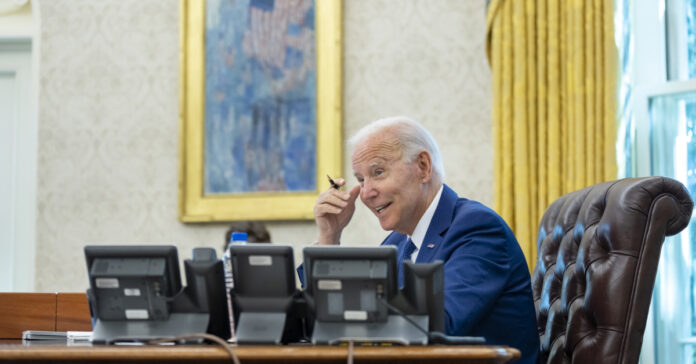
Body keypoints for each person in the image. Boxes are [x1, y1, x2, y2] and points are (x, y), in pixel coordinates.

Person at [311, 116, 539, 364]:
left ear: (422, 166)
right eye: (360, 179)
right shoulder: (396, 244)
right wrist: (329, 237)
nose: (366, 193)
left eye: (378, 172)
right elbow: (333, 320)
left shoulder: (478, 229)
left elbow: (438, 327)